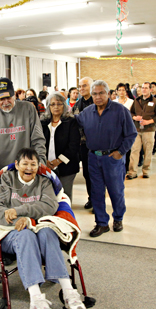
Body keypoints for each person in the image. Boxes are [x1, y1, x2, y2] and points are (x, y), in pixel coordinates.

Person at [0, 148, 86, 309]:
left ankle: (69, 291)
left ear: (38, 166)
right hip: (11, 232)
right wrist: (13, 220)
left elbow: (49, 206)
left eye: (33, 164)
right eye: (25, 163)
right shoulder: (6, 180)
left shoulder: (44, 182)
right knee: (26, 235)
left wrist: (21, 213)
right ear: (17, 165)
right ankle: (36, 298)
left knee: (48, 231)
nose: (29, 168)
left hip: (36, 226)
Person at [75, 80, 137, 237]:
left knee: (116, 191)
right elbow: (73, 121)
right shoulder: (87, 112)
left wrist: (120, 152)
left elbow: (131, 134)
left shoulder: (120, 111)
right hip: (93, 158)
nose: (98, 96)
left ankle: (118, 218)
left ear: (109, 94)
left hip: (112, 159)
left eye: (101, 93)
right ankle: (101, 223)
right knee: (96, 192)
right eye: (95, 93)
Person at [0, 77, 46, 187]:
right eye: (1, 99)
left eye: (8, 98)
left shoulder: (28, 109)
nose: (5, 102)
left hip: (26, 171)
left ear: (14, 95)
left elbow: (38, 140)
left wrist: (41, 165)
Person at [40, 92, 80, 201]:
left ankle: (65, 217)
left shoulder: (71, 121)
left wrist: (58, 160)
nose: (56, 107)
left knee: (64, 196)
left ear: (64, 105)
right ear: (48, 106)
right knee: (48, 196)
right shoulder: (42, 122)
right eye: (52, 104)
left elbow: (74, 144)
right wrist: (44, 160)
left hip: (67, 166)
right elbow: (38, 143)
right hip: (46, 165)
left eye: (59, 104)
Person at [127, 82, 156, 179]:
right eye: (142, 88)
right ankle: (132, 172)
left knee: (148, 151)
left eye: (146, 88)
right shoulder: (136, 101)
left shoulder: (155, 101)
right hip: (137, 130)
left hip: (149, 130)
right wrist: (134, 117)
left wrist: (149, 122)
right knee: (134, 150)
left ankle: (146, 171)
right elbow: (130, 113)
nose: (144, 90)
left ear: (150, 89)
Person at [73, 77, 95, 210]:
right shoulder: (77, 104)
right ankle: (91, 198)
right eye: (80, 86)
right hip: (82, 145)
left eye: (84, 86)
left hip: (96, 144)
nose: (81, 89)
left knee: (96, 174)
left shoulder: (97, 102)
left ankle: (97, 200)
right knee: (86, 173)